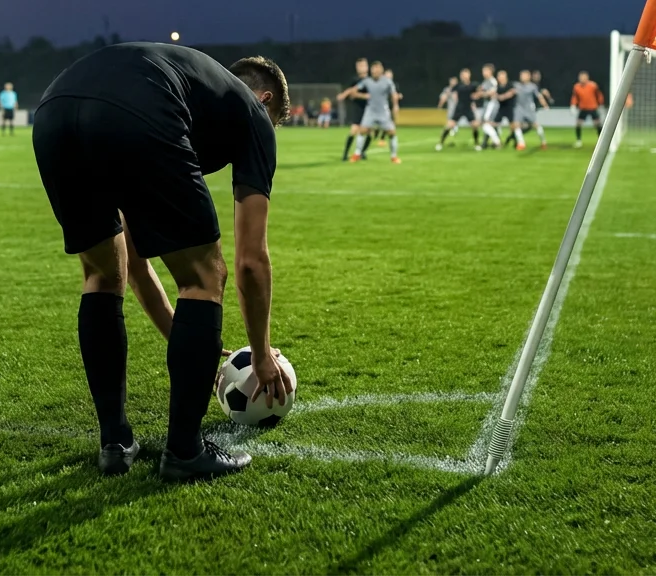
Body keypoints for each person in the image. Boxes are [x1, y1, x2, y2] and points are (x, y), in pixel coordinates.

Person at [32, 43, 294, 482]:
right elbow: (251, 261)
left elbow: (133, 262)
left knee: (101, 272)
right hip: (136, 109)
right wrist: (262, 355)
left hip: (53, 112)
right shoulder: (251, 116)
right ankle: (185, 452)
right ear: (265, 99)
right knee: (206, 274)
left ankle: (115, 441)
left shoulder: (194, 92)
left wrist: (192, 341)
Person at [339, 60, 401, 164]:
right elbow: (354, 90)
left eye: (377, 69)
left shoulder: (387, 81)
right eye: (374, 69)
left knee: (392, 133)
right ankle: (357, 154)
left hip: (383, 112)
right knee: (362, 131)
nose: (375, 71)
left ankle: (394, 156)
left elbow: (393, 94)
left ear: (381, 70)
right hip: (370, 111)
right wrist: (361, 96)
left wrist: (395, 105)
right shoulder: (367, 81)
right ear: (371, 71)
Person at [436, 69, 480, 151]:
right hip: (459, 108)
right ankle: (440, 143)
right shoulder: (458, 85)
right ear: (461, 76)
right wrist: (444, 98)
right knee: (450, 125)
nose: (464, 76)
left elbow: (479, 92)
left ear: (469, 75)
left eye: (466, 75)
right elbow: (450, 92)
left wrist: (476, 95)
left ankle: (477, 144)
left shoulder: (473, 85)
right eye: (462, 75)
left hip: (468, 108)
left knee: (475, 125)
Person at [509, 69, 550, 150]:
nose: (522, 77)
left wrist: (545, 104)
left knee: (535, 125)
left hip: (528, 109)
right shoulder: (516, 85)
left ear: (528, 77)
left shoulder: (532, 86)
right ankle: (521, 143)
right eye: (521, 75)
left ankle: (543, 141)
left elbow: (539, 96)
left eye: (524, 76)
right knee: (516, 125)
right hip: (519, 108)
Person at [339, 58, 370, 160]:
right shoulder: (355, 80)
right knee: (354, 130)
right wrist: (362, 96)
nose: (360, 68)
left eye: (363, 65)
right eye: (359, 66)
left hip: (369, 108)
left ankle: (362, 152)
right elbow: (351, 93)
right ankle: (345, 154)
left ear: (367, 67)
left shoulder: (370, 80)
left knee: (370, 132)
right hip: (358, 108)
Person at [570, 71, 605, 148]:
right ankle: (578, 141)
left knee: (597, 124)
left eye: (583, 77)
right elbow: (575, 97)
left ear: (587, 78)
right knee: (578, 124)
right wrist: (573, 105)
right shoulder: (576, 87)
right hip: (583, 108)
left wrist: (601, 105)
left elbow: (599, 95)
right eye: (580, 77)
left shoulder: (593, 85)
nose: (582, 79)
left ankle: (601, 141)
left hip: (593, 107)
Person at [475, 64, 503, 149]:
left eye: (485, 71)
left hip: (492, 104)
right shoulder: (486, 81)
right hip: (487, 104)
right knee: (489, 124)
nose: (484, 73)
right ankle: (485, 143)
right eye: (483, 71)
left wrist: (481, 94)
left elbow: (492, 92)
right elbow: (481, 90)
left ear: (490, 71)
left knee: (485, 123)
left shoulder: (492, 81)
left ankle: (497, 142)